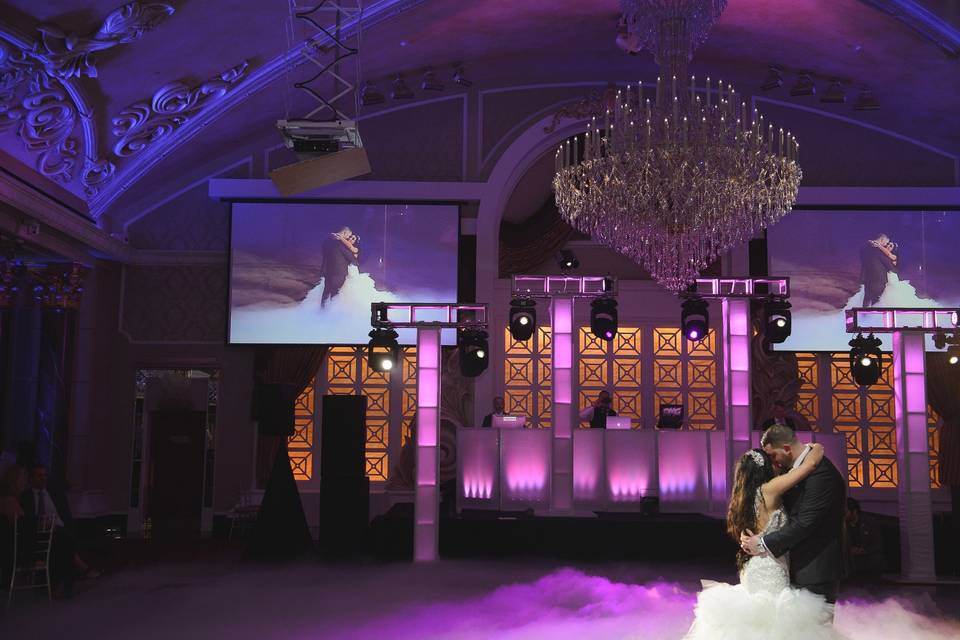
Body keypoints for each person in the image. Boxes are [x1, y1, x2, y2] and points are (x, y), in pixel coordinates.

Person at [686, 440, 839, 639]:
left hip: (754, 567)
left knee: (755, 624)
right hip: (770, 566)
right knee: (774, 622)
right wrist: (817, 448)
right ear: (764, 468)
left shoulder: (743, 498)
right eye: (772, 462)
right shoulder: (769, 489)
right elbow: (808, 467)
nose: (777, 465)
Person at [741, 425, 847, 608]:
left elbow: (805, 523)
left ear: (787, 448)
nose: (773, 462)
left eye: (773, 455)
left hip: (815, 568)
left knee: (813, 631)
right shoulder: (794, 471)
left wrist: (762, 542)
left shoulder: (822, 474)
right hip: (789, 566)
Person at [20, 464, 77, 597]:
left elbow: (65, 514)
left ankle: (64, 585)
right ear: (32, 478)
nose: (43, 479)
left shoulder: (55, 494)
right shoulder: (26, 496)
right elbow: (26, 520)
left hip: (58, 529)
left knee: (65, 539)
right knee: (65, 541)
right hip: (38, 533)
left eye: (45, 475)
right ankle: (70, 577)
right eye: (39, 476)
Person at [845, 497, 884, 581]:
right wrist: (849, 550)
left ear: (854, 511)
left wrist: (863, 550)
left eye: (846, 512)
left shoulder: (870, 522)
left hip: (866, 553)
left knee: (877, 558)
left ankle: (873, 585)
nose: (843, 515)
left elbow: (877, 544)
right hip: (849, 554)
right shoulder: (843, 525)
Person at [319, 226, 358, 307]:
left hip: (327, 271)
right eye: (348, 236)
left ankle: (322, 311)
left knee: (326, 292)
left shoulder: (327, 242)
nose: (348, 238)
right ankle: (332, 314)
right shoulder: (342, 245)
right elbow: (352, 259)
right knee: (335, 294)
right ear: (344, 233)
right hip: (338, 273)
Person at [859, 233, 898, 307]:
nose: (886, 245)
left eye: (889, 245)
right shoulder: (879, 251)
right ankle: (873, 317)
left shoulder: (864, 248)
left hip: (867, 278)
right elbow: (890, 266)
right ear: (882, 239)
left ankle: (863, 316)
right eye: (886, 243)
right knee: (876, 301)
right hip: (878, 279)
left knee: (867, 299)